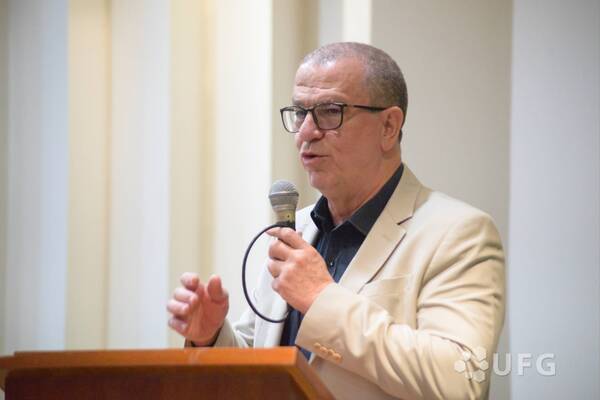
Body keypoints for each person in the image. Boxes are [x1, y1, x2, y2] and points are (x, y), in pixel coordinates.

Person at [166, 42, 505, 400]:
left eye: (330, 111)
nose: (305, 132)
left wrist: (321, 299)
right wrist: (211, 337)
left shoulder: (459, 232)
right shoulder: (295, 229)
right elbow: (262, 365)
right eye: (300, 113)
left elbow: (459, 382)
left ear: (389, 126)